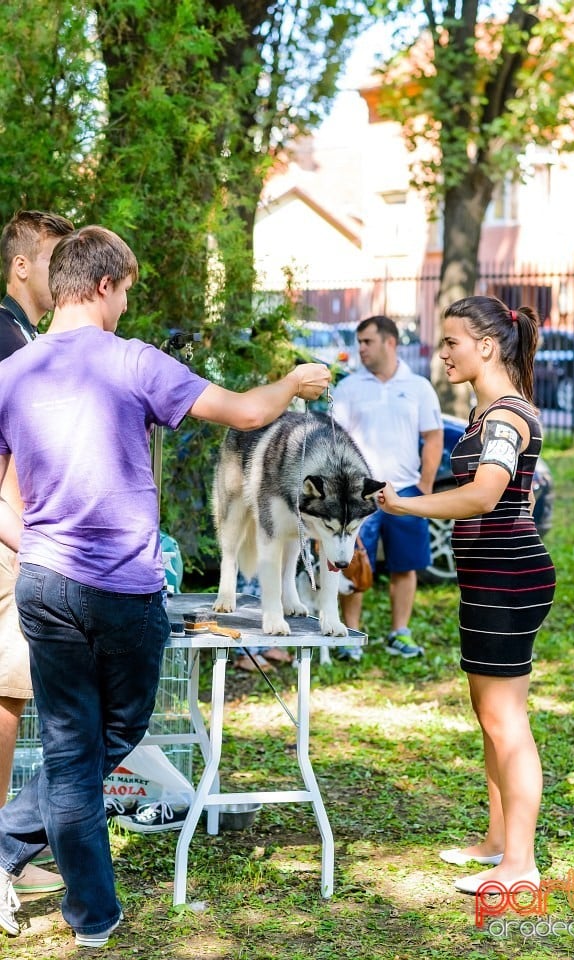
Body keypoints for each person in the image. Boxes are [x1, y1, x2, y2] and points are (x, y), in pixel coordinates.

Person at [0, 225, 330, 946]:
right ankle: (70, 895)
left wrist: (38, 551)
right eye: (124, 293)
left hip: (44, 583)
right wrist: (296, 383)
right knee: (112, 732)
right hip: (120, 588)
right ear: (102, 285)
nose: (124, 308)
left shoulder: (11, 374)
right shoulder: (131, 362)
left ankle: (56, 886)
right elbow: (246, 412)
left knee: (68, 748)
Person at [377, 295, 556, 894]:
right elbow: (517, 498)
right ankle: (498, 841)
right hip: (492, 576)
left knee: (506, 722)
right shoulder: (492, 416)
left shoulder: (504, 417)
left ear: (486, 345)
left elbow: (484, 495)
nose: (441, 353)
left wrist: (406, 502)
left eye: (451, 342)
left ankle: (519, 865)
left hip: (508, 580)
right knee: (490, 718)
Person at [0, 210, 75, 896]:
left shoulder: (27, 335)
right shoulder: (2, 336)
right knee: (3, 696)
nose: (63, 272)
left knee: (15, 696)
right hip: (8, 536)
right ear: (21, 264)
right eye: (54, 258)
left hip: (25, 533)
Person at [331, 315, 444, 660]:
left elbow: (434, 435)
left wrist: (425, 484)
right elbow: (335, 440)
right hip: (358, 492)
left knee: (405, 565)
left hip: (406, 490)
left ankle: (400, 633)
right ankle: (350, 636)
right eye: (359, 342)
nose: (360, 349)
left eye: (367, 341)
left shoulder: (419, 386)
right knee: (353, 562)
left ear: (390, 342)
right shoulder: (349, 387)